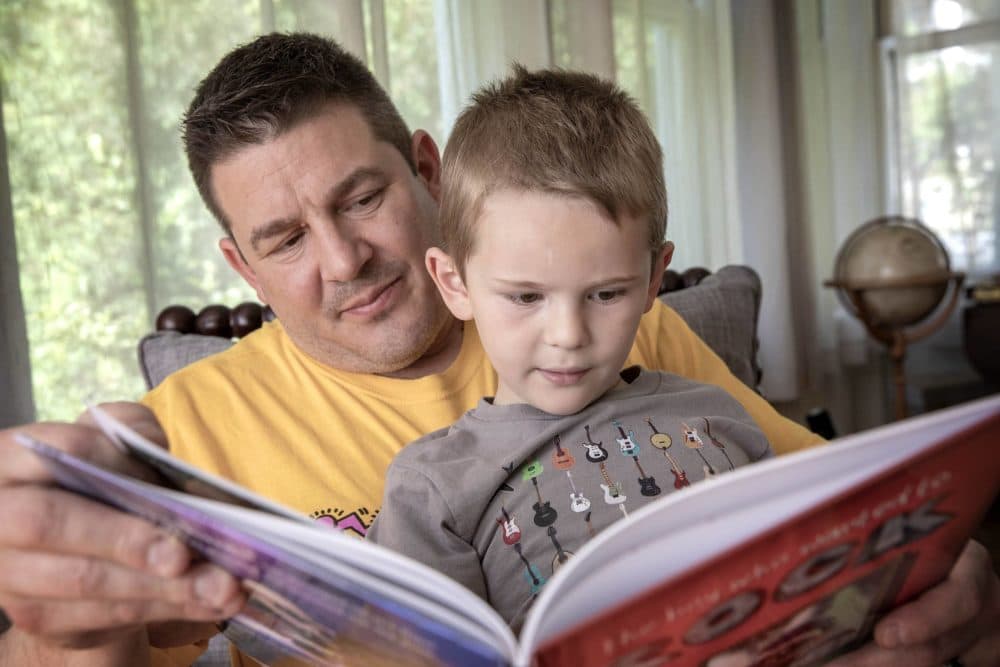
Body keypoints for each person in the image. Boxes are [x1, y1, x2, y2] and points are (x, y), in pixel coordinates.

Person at [0, 32, 995, 667]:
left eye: (362, 198)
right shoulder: (179, 432)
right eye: (286, 238)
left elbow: (867, 520)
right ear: (240, 263)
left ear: (426, 168)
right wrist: (60, 636)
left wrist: (954, 590)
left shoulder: (627, 331)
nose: (345, 258)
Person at [367, 65, 777, 631]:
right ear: (455, 284)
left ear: (655, 278)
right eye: (526, 296)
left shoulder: (720, 417)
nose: (568, 334)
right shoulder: (432, 485)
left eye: (606, 293)